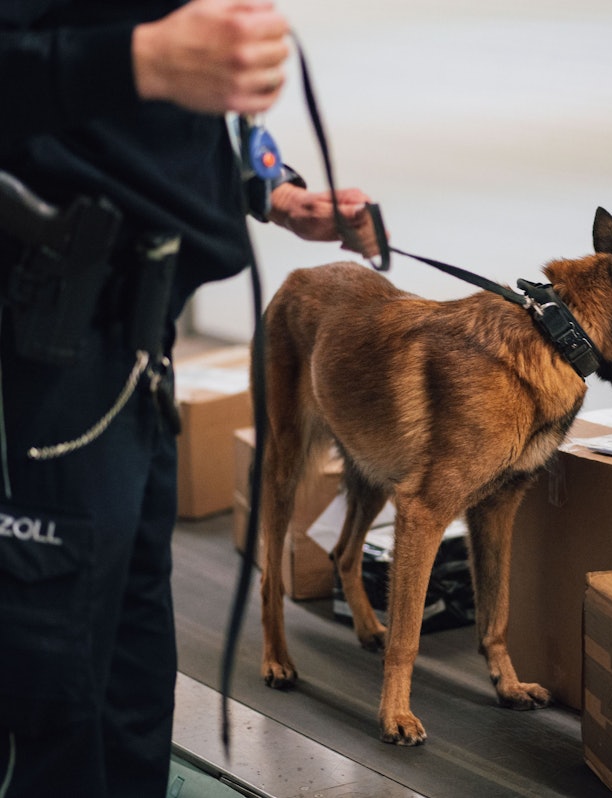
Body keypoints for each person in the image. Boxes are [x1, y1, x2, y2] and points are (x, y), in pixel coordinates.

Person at [0, 2, 378, 795]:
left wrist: (273, 189)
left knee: (131, 664)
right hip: (29, 339)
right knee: (47, 685)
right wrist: (140, 59)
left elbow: (165, 119)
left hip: (133, 337)